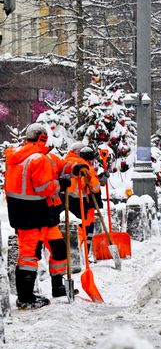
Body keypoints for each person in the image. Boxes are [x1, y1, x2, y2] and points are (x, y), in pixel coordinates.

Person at [4, 124, 70, 309]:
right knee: (28, 255)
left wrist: (74, 168)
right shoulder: (37, 159)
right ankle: (25, 298)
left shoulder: (17, 156)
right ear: (41, 138)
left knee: (58, 248)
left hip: (35, 214)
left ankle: (58, 286)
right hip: (34, 214)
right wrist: (61, 184)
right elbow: (44, 188)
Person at [64, 142, 102, 235]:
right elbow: (94, 187)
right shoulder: (83, 165)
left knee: (73, 229)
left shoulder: (65, 162)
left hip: (66, 200)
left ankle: (81, 245)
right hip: (81, 202)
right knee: (85, 228)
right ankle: (85, 247)